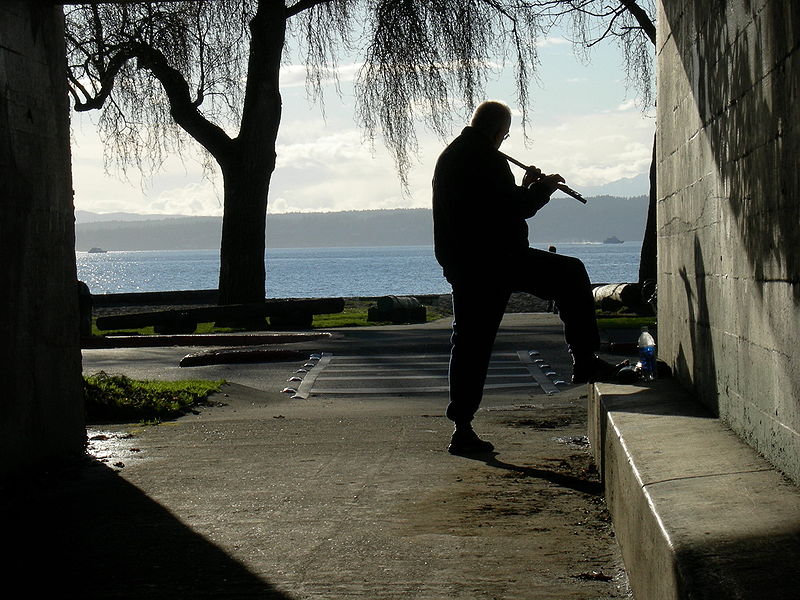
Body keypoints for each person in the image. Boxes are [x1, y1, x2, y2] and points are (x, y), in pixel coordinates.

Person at [432, 100, 619, 455]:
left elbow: (495, 203)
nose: (504, 140)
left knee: (471, 342)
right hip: (497, 260)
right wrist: (542, 190)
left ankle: (462, 427)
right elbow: (513, 209)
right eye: (504, 134)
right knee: (571, 274)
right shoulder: (486, 157)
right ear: (497, 129)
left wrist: (525, 185)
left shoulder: (456, 154)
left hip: (468, 264)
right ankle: (584, 360)